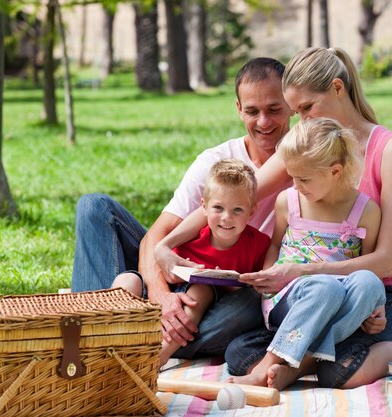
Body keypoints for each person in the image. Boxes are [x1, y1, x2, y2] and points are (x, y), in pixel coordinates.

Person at [153, 46, 392, 389]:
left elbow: (384, 262)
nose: (302, 120)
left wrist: (301, 270)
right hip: (310, 293)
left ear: (338, 89)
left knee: (341, 370)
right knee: (239, 355)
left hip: (376, 296)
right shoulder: (302, 144)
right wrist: (167, 244)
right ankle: (301, 355)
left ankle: (306, 357)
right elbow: (239, 199)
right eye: (296, 111)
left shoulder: (390, 149)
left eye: (307, 108)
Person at [71, 57, 294, 359]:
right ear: (239, 109)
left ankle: (142, 337)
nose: (264, 122)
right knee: (94, 207)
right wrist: (162, 295)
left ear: (292, 104)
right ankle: (88, 332)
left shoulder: (304, 167)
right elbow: (157, 237)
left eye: (274, 109)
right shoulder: (215, 161)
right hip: (181, 271)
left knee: (251, 305)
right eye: (253, 111)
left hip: (227, 293)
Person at [225, 117, 386, 389]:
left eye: (303, 179)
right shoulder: (288, 202)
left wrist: (375, 307)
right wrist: (267, 277)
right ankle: (266, 366)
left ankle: (299, 365)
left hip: (338, 302)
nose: (295, 185)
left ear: (335, 172)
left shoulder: (366, 211)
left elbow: (364, 269)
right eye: (292, 177)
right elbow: (275, 246)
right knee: (324, 288)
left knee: (370, 283)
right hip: (291, 298)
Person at [112, 159, 270, 365]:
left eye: (237, 210)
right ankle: (112, 341)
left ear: (251, 211)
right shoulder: (193, 234)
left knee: (202, 289)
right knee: (127, 280)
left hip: (200, 309)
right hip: (161, 298)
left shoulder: (259, 244)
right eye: (218, 208)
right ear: (204, 207)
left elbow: (254, 289)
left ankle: (158, 357)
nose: (226, 218)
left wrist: (234, 285)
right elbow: (162, 260)